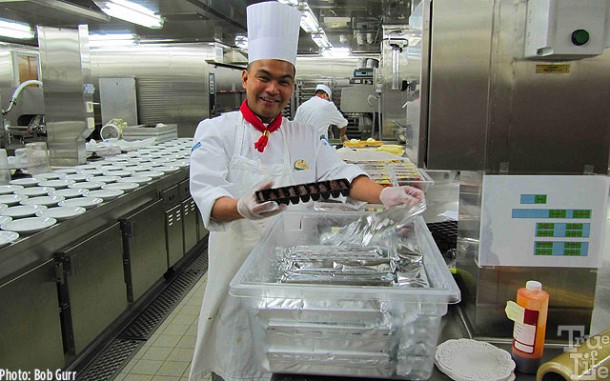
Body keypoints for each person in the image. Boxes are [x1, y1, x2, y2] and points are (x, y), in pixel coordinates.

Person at [188, 2, 424, 381]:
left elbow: (341, 175)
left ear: (292, 86)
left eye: (284, 81)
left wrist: (383, 195)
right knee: (237, 361)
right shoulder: (215, 131)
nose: (273, 89)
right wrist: (242, 207)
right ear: (246, 77)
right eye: (265, 77)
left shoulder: (302, 135)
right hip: (238, 277)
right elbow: (208, 196)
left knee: (288, 360)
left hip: (298, 275)